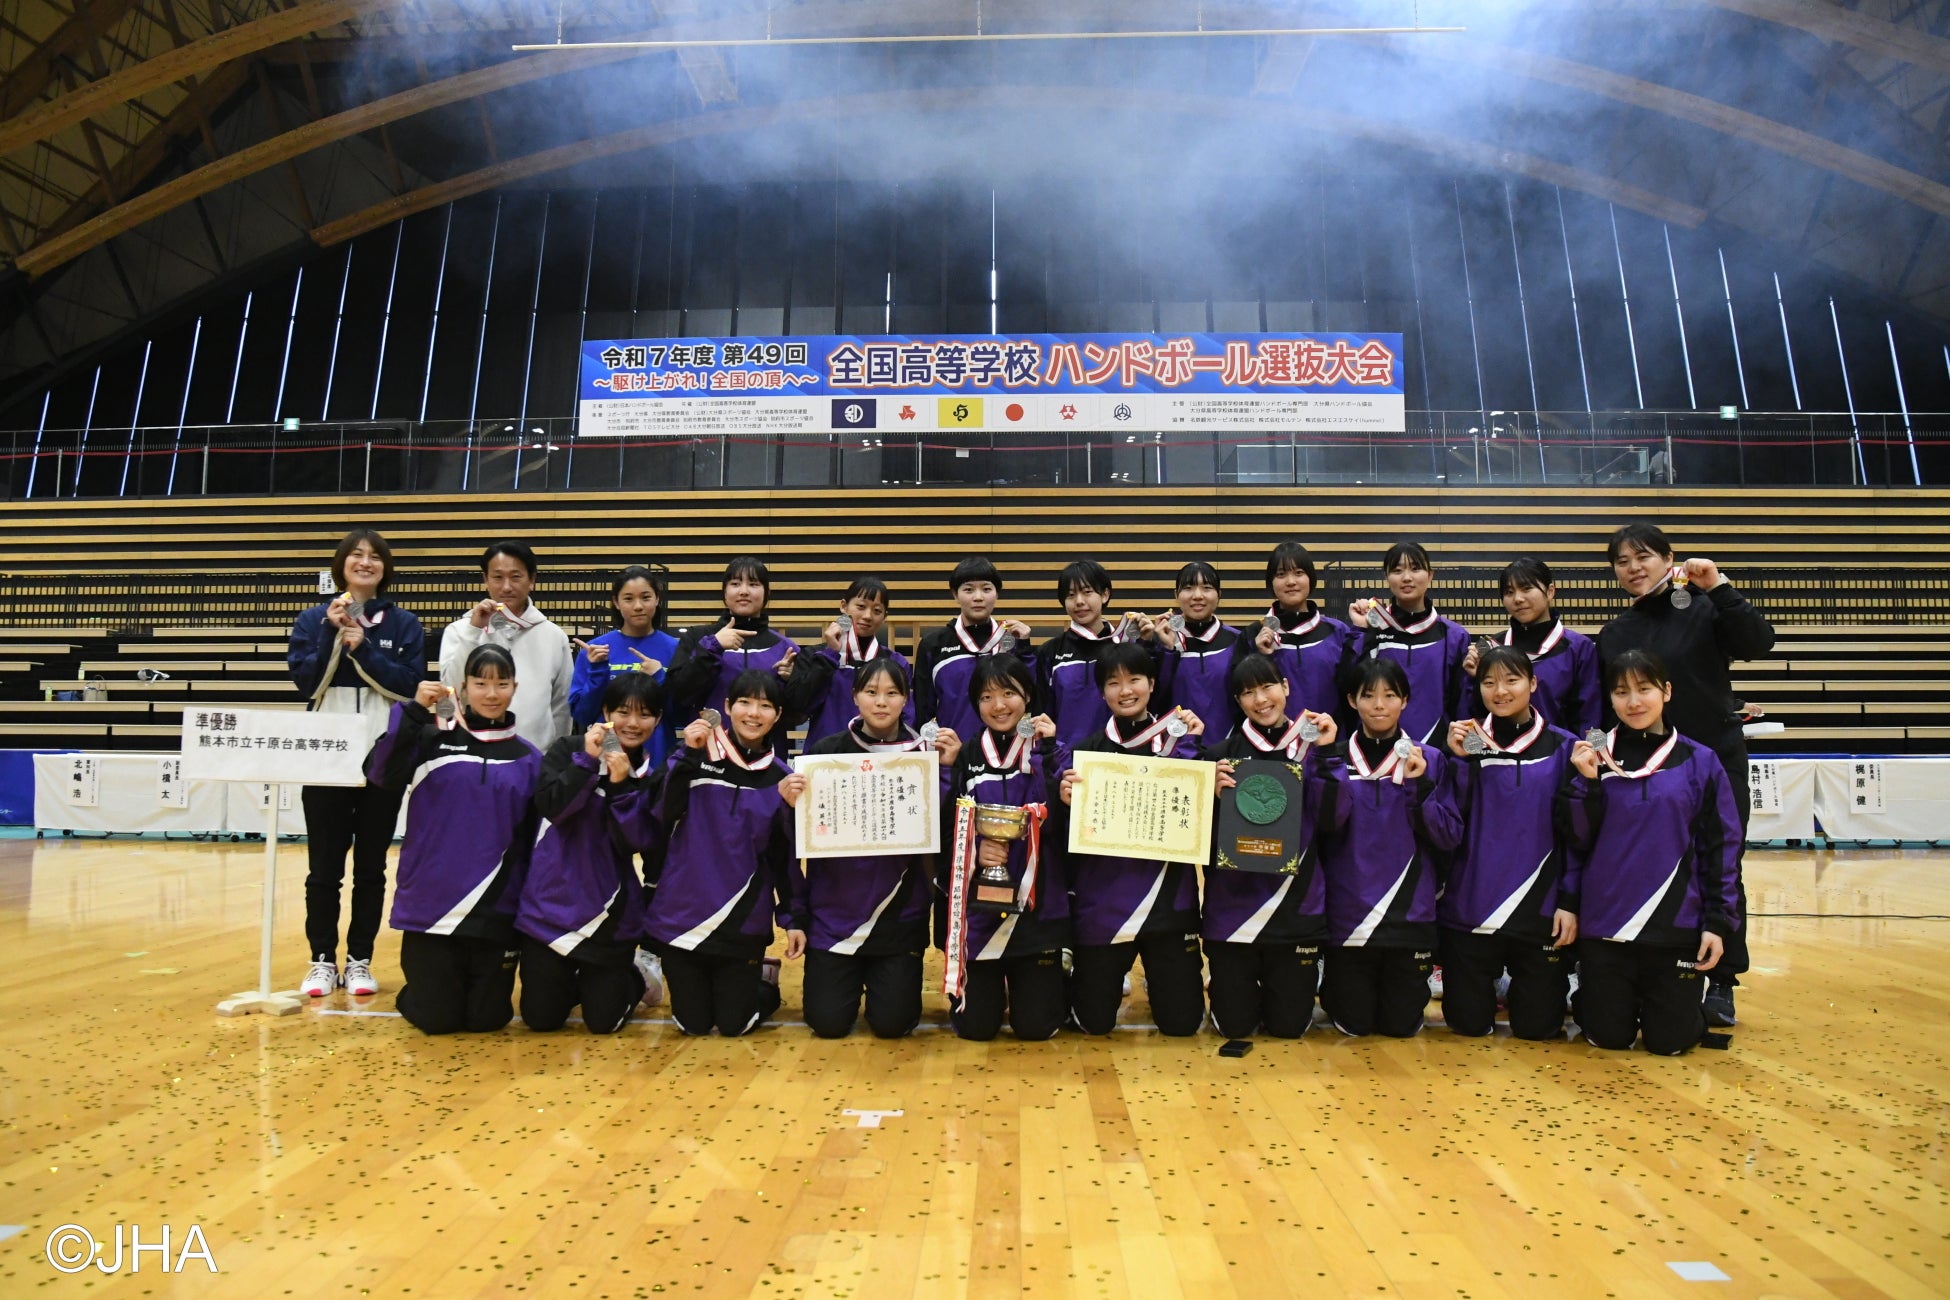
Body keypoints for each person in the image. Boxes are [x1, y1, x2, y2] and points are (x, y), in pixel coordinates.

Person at [1596, 522, 1774, 1027]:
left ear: (1668, 559)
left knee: (1721, 862)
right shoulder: (1614, 634)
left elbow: (1759, 642)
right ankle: (1647, 968)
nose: (1633, 568)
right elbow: (1602, 711)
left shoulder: (1705, 608)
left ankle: (1722, 980)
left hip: (1713, 760)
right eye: (1623, 561)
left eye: (1643, 557)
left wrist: (1718, 586)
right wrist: (1594, 756)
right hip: (1641, 773)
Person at [1566, 650, 1744, 1056]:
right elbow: (1574, 840)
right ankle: (1592, 992)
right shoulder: (1592, 758)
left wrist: (1718, 923)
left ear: (1666, 691)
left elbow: (1722, 848)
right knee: (1608, 1037)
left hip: (1675, 927)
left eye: (1644, 689)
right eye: (1621, 692)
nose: (1633, 702)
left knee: (1671, 1042)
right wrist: (1586, 785)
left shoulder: (1701, 761)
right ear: (1610, 699)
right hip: (1606, 926)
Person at [366, 645, 542, 1035]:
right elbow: (380, 773)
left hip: (496, 910)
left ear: (515, 688)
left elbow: (536, 842)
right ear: (463, 688)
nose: (492, 694)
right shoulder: (430, 740)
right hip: (431, 908)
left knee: (487, 1020)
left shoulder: (530, 759)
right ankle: (421, 992)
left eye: (502, 684)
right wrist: (413, 712)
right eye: (481, 683)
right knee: (438, 1020)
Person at [786, 658, 960, 1038]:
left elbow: (944, 831)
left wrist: (947, 771)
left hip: (899, 916)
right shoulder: (826, 753)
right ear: (855, 697)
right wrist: (789, 801)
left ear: (906, 699)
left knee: (893, 1025)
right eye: (871, 692)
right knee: (827, 1024)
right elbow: (798, 836)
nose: (881, 702)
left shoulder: (925, 757)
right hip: (834, 916)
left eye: (892, 693)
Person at [287, 528, 425, 999]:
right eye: (356, 555)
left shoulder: (403, 624)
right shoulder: (312, 620)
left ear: (385, 568)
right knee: (324, 869)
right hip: (325, 756)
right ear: (341, 565)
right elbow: (308, 685)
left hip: (382, 755)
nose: (365, 562)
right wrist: (332, 633)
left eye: (375, 556)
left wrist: (362, 646)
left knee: (371, 867)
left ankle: (360, 959)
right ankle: (322, 960)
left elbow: (407, 687)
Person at [636, 669, 803, 1037]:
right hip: (682, 916)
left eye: (765, 706)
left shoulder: (781, 779)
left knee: (734, 1025)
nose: (753, 713)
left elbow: (784, 858)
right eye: (744, 702)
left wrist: (793, 918)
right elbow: (658, 813)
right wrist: (685, 754)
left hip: (742, 921)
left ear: (777, 715)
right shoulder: (694, 757)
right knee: (692, 1025)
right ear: (727, 706)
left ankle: (764, 982)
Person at [1057, 642, 1206, 1037]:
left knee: (1183, 1024)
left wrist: (1193, 748)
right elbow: (1067, 840)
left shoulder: (1181, 745)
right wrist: (1066, 803)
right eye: (1113, 683)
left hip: (1168, 903)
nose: (1125, 691)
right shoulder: (1086, 754)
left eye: (1134, 679)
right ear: (1102, 692)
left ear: (1152, 684)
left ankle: (1163, 982)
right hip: (1104, 906)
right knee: (1092, 1023)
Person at [1438, 646, 1585, 1041]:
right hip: (1471, 909)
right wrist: (1458, 761)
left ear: (1533, 684)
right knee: (1467, 1026)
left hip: (1539, 911)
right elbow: (1449, 825)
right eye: (1489, 682)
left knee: (1538, 1029)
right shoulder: (1467, 744)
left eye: (1511, 680)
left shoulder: (1566, 748)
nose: (1500, 691)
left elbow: (1577, 836)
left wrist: (1569, 901)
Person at [514, 671, 667, 1034]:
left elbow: (637, 842)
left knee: (604, 1023)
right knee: (541, 1019)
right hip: (549, 906)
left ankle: (635, 976)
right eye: (623, 712)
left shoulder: (652, 776)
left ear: (658, 719)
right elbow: (553, 808)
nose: (632, 723)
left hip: (609, 913)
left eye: (644, 714)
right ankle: (571, 983)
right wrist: (586, 762)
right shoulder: (567, 749)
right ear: (606, 712)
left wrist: (621, 787)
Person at [1319, 657, 1462, 1038]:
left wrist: (1419, 786)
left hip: (1409, 915)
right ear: (1352, 701)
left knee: (1401, 1026)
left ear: (1405, 701)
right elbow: (1323, 827)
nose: (1379, 705)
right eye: (1368, 696)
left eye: (1390, 695)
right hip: (1348, 914)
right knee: (1354, 1023)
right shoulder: (1333, 758)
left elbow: (1448, 836)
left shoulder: (1430, 760)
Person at [1200, 653, 1339, 1039]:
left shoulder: (1317, 748)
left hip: (1296, 909)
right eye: (1248, 692)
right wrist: (1210, 798)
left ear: (1286, 687)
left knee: (1288, 1027)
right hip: (1234, 913)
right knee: (1234, 1026)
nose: (1260, 700)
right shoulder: (1219, 757)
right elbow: (1198, 842)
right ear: (1237, 701)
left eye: (1267, 687)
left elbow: (1333, 821)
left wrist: (1328, 756)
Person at [939, 655, 1068, 1042]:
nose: (998, 706)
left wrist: (1051, 754)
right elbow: (945, 828)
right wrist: (975, 850)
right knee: (976, 1028)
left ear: (1027, 695)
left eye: (1008, 693)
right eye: (986, 697)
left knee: (1036, 1028)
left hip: (1037, 909)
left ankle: (1061, 974)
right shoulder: (964, 757)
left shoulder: (1052, 750)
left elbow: (1067, 826)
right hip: (981, 910)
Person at [438, 541, 573, 753]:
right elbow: (451, 689)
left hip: (535, 759)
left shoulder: (554, 636)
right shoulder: (460, 631)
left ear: (532, 580)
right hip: (472, 756)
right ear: (485, 579)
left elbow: (562, 705)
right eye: (498, 577)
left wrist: (554, 757)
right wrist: (473, 631)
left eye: (516, 577)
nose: (507, 587)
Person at [663, 556, 801, 758]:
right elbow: (677, 696)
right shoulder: (696, 638)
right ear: (724, 593)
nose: (744, 591)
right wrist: (712, 648)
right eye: (735, 584)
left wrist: (790, 682)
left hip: (766, 761)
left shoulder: (787, 649)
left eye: (753, 584)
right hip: (706, 757)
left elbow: (797, 715)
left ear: (767, 593)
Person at [1348, 541, 1471, 747]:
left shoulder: (1454, 636)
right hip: (1378, 749)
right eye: (1397, 571)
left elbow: (1462, 704)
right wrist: (1361, 631)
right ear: (1386, 577)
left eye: (1415, 569)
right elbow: (1349, 686)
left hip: (1438, 750)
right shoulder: (1371, 631)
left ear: (1430, 575)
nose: (1406, 577)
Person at [1461, 558, 1601, 736]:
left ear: (1550, 591)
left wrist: (1583, 751)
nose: (1518, 599)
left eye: (1527, 588)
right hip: (1500, 751)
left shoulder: (1579, 648)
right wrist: (1475, 680)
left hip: (1562, 751)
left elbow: (1590, 717)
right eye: (1509, 592)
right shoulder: (1490, 648)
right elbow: (1472, 718)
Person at [913, 557, 1036, 747]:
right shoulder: (933, 645)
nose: (978, 597)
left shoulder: (1013, 640)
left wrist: (1025, 647)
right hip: (953, 751)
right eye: (968, 590)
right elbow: (923, 708)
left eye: (986, 589)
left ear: (997, 593)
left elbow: (1031, 698)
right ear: (955, 594)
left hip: (1007, 752)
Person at [1037, 559, 1158, 751]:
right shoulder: (1050, 652)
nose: (1079, 601)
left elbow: (1154, 697)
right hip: (1068, 759)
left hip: (1121, 756)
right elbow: (1042, 712)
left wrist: (1149, 644)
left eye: (1087, 592)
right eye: (1070, 595)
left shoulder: (1126, 646)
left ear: (1105, 594)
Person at [787, 575, 916, 751]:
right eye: (861, 607)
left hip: (878, 758)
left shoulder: (895, 662)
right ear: (843, 606)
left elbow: (906, 717)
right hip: (825, 755)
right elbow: (798, 707)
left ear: (884, 617)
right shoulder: (814, 656)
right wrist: (830, 655)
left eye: (877, 611)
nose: (867, 616)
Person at [569, 565, 678, 770]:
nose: (638, 606)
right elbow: (582, 715)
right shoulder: (594, 650)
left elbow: (680, 715)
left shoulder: (676, 649)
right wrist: (597, 672)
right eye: (628, 599)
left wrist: (660, 677)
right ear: (616, 602)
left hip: (658, 761)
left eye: (646, 597)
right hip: (605, 759)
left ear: (657, 599)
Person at [1243, 541, 1357, 721]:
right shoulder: (1252, 636)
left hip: (1330, 735)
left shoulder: (1338, 632)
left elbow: (1354, 690)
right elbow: (1243, 696)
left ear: (1311, 578)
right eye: (1281, 574)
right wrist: (1261, 656)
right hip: (1273, 737)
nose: (1291, 582)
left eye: (1299, 573)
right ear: (1271, 582)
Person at [1156, 560, 1242, 740]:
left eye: (1207, 588)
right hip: (1173, 746)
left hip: (1227, 746)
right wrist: (1167, 651)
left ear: (1219, 594)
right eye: (1188, 588)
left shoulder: (1238, 641)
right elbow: (1153, 698)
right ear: (1176, 595)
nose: (1197, 596)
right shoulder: (1159, 641)